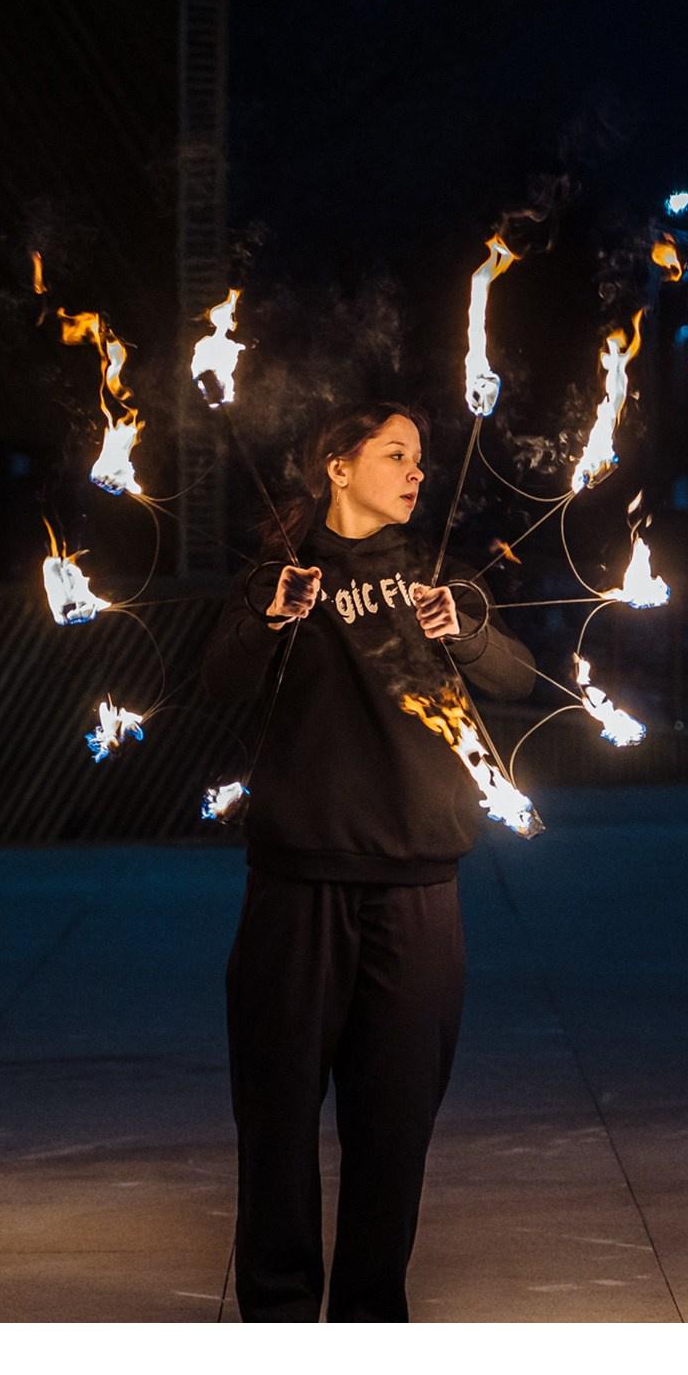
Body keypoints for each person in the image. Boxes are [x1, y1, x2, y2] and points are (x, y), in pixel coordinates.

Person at [199, 404, 538, 1320]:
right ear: (336, 466)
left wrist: (461, 630)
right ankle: (276, 1316)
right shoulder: (280, 577)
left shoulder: (438, 577)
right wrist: (270, 619)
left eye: (421, 458)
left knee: (394, 1131)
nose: (416, 470)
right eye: (394, 454)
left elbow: (512, 676)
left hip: (418, 891)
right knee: (276, 1123)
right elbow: (218, 679)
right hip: (296, 887)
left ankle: (367, 1326)